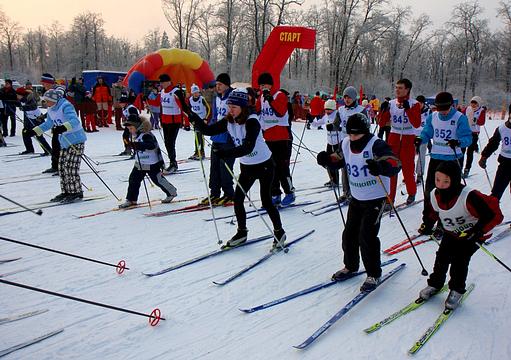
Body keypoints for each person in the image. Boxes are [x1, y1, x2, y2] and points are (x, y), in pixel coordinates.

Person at [189, 89, 286, 249]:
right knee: (238, 199)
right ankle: (242, 232)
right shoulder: (229, 120)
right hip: (247, 166)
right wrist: (196, 119)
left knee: (266, 201)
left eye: (234, 107)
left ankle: (279, 232)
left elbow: (247, 147)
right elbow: (208, 130)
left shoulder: (252, 121)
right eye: (229, 106)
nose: (230, 110)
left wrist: (225, 153)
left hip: (264, 165)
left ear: (243, 107)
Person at [317, 113, 400, 291]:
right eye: (350, 134)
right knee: (349, 234)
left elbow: (394, 163)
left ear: (365, 132)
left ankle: (373, 274)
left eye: (357, 134)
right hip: (357, 198)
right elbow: (338, 159)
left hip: (376, 198)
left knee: (367, 236)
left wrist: (381, 167)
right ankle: (351, 266)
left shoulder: (375, 144)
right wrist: (326, 159)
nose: (353, 137)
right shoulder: (346, 143)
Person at [418, 161, 503, 309]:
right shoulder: (434, 194)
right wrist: (428, 223)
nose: (440, 184)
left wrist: (477, 232)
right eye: (437, 179)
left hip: (472, 235)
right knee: (442, 257)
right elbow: (432, 211)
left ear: (455, 180)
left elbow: (492, 216)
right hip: (451, 233)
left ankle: (456, 290)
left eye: (446, 181)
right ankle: (435, 284)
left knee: (460, 260)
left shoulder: (469, 196)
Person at [415, 92, 472, 235]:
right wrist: (420, 139)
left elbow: (468, 138)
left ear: (451, 105)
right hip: (436, 158)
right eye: (439, 108)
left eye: (445, 108)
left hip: (453, 159)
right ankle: (427, 221)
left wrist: (458, 142)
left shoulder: (460, 118)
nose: (443, 112)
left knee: (448, 193)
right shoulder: (433, 117)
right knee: (430, 191)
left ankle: (443, 223)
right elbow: (427, 132)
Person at [26, 89, 87, 203]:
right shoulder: (51, 109)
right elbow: (49, 123)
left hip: (76, 140)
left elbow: (75, 121)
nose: (46, 103)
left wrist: (62, 127)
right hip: (64, 141)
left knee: (70, 167)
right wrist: (35, 131)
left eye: (47, 100)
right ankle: (66, 191)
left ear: (54, 100)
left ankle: (76, 192)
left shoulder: (66, 106)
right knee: (62, 167)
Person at [118, 114, 177, 208]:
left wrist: (138, 145)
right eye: (128, 129)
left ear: (137, 126)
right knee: (133, 180)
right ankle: (131, 199)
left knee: (158, 180)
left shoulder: (146, 134)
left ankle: (171, 192)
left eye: (131, 128)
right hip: (140, 164)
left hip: (152, 163)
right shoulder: (136, 134)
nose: (130, 130)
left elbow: (151, 145)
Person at [379, 79, 421, 206]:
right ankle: (389, 199)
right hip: (394, 138)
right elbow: (381, 123)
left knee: (408, 170)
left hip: (408, 139)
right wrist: (383, 111)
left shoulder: (415, 104)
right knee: (391, 168)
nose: (397, 90)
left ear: (407, 89)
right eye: (396, 87)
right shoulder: (391, 103)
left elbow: (416, 123)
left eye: (400, 88)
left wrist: (408, 109)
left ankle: (412, 192)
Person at [256, 72, 295, 206]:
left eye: (264, 85)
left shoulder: (280, 95)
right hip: (268, 138)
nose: (262, 88)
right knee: (270, 168)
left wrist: (270, 99)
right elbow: (256, 111)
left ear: (270, 85)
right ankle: (275, 194)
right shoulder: (261, 97)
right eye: (260, 86)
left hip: (282, 138)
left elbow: (280, 111)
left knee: (282, 167)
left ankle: (289, 192)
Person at [198, 73, 235, 206]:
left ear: (227, 85)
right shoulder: (216, 98)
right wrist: (208, 128)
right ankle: (214, 193)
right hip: (217, 137)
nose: (217, 87)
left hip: (229, 137)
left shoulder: (232, 97)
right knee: (214, 167)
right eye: (216, 84)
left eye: (220, 84)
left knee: (225, 168)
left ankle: (229, 194)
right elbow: (214, 116)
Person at [336, 86, 367, 199]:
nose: (346, 100)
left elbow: (366, 125)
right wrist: (332, 126)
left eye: (349, 97)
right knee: (344, 167)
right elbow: (336, 123)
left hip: (358, 142)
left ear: (354, 98)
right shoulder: (341, 110)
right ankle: (346, 192)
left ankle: (356, 190)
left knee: (355, 167)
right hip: (345, 142)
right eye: (345, 97)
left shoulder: (360, 110)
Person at [158, 73, 188, 173]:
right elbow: (159, 104)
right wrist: (147, 97)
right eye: (160, 82)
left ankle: (173, 164)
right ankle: (172, 162)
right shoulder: (162, 91)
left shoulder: (176, 91)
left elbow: (183, 107)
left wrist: (187, 122)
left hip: (174, 121)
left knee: (170, 142)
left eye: (163, 82)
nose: (161, 84)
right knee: (167, 142)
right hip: (165, 121)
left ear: (168, 82)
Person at [311, 99, 343, 189]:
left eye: (329, 110)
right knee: (328, 162)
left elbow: (342, 126)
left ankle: (337, 180)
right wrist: (311, 120)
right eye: (326, 109)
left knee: (337, 162)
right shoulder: (325, 116)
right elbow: (316, 124)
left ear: (333, 109)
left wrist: (335, 128)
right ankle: (332, 179)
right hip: (330, 142)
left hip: (338, 142)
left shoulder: (338, 115)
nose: (327, 111)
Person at [479, 117, 511, 201]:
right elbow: (493, 144)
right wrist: (484, 156)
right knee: (496, 193)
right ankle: (492, 211)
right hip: (505, 165)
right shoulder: (502, 128)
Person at [40, 73, 64, 174]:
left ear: (49, 82)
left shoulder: (58, 88)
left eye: (44, 83)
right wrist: (44, 116)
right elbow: (51, 107)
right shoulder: (48, 91)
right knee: (55, 145)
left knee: (62, 146)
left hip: (64, 121)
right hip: (55, 122)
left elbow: (59, 96)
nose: (43, 85)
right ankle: (55, 166)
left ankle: (63, 167)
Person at [16, 87, 51, 155]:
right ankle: (29, 149)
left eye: (17, 95)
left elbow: (33, 106)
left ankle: (48, 150)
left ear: (21, 95)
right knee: (25, 132)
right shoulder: (22, 100)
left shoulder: (30, 99)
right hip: (30, 119)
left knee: (38, 135)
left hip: (38, 119)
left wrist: (23, 108)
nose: (17, 97)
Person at [462, 96, 486, 178]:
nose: (473, 105)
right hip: (465, 132)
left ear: (478, 104)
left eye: (475, 103)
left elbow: (482, 122)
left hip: (474, 133)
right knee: (461, 151)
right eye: (472, 103)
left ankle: (467, 169)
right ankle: (459, 168)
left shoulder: (481, 110)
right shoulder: (467, 109)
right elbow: (460, 115)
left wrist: (475, 120)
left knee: (469, 152)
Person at [188, 83, 211, 160]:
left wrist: (206, 119)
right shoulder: (190, 100)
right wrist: (191, 119)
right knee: (196, 136)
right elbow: (189, 111)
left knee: (201, 136)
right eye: (194, 92)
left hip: (202, 119)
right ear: (192, 93)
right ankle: (197, 151)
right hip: (196, 119)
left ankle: (202, 152)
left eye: (197, 92)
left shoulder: (202, 99)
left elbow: (209, 108)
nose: (196, 94)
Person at [414, 95, 431, 183]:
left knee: (421, 155)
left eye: (420, 103)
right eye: (417, 103)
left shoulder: (428, 111)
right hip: (412, 135)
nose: (418, 105)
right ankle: (410, 174)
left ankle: (419, 174)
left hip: (423, 136)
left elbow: (430, 125)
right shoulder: (413, 110)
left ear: (423, 103)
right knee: (410, 156)